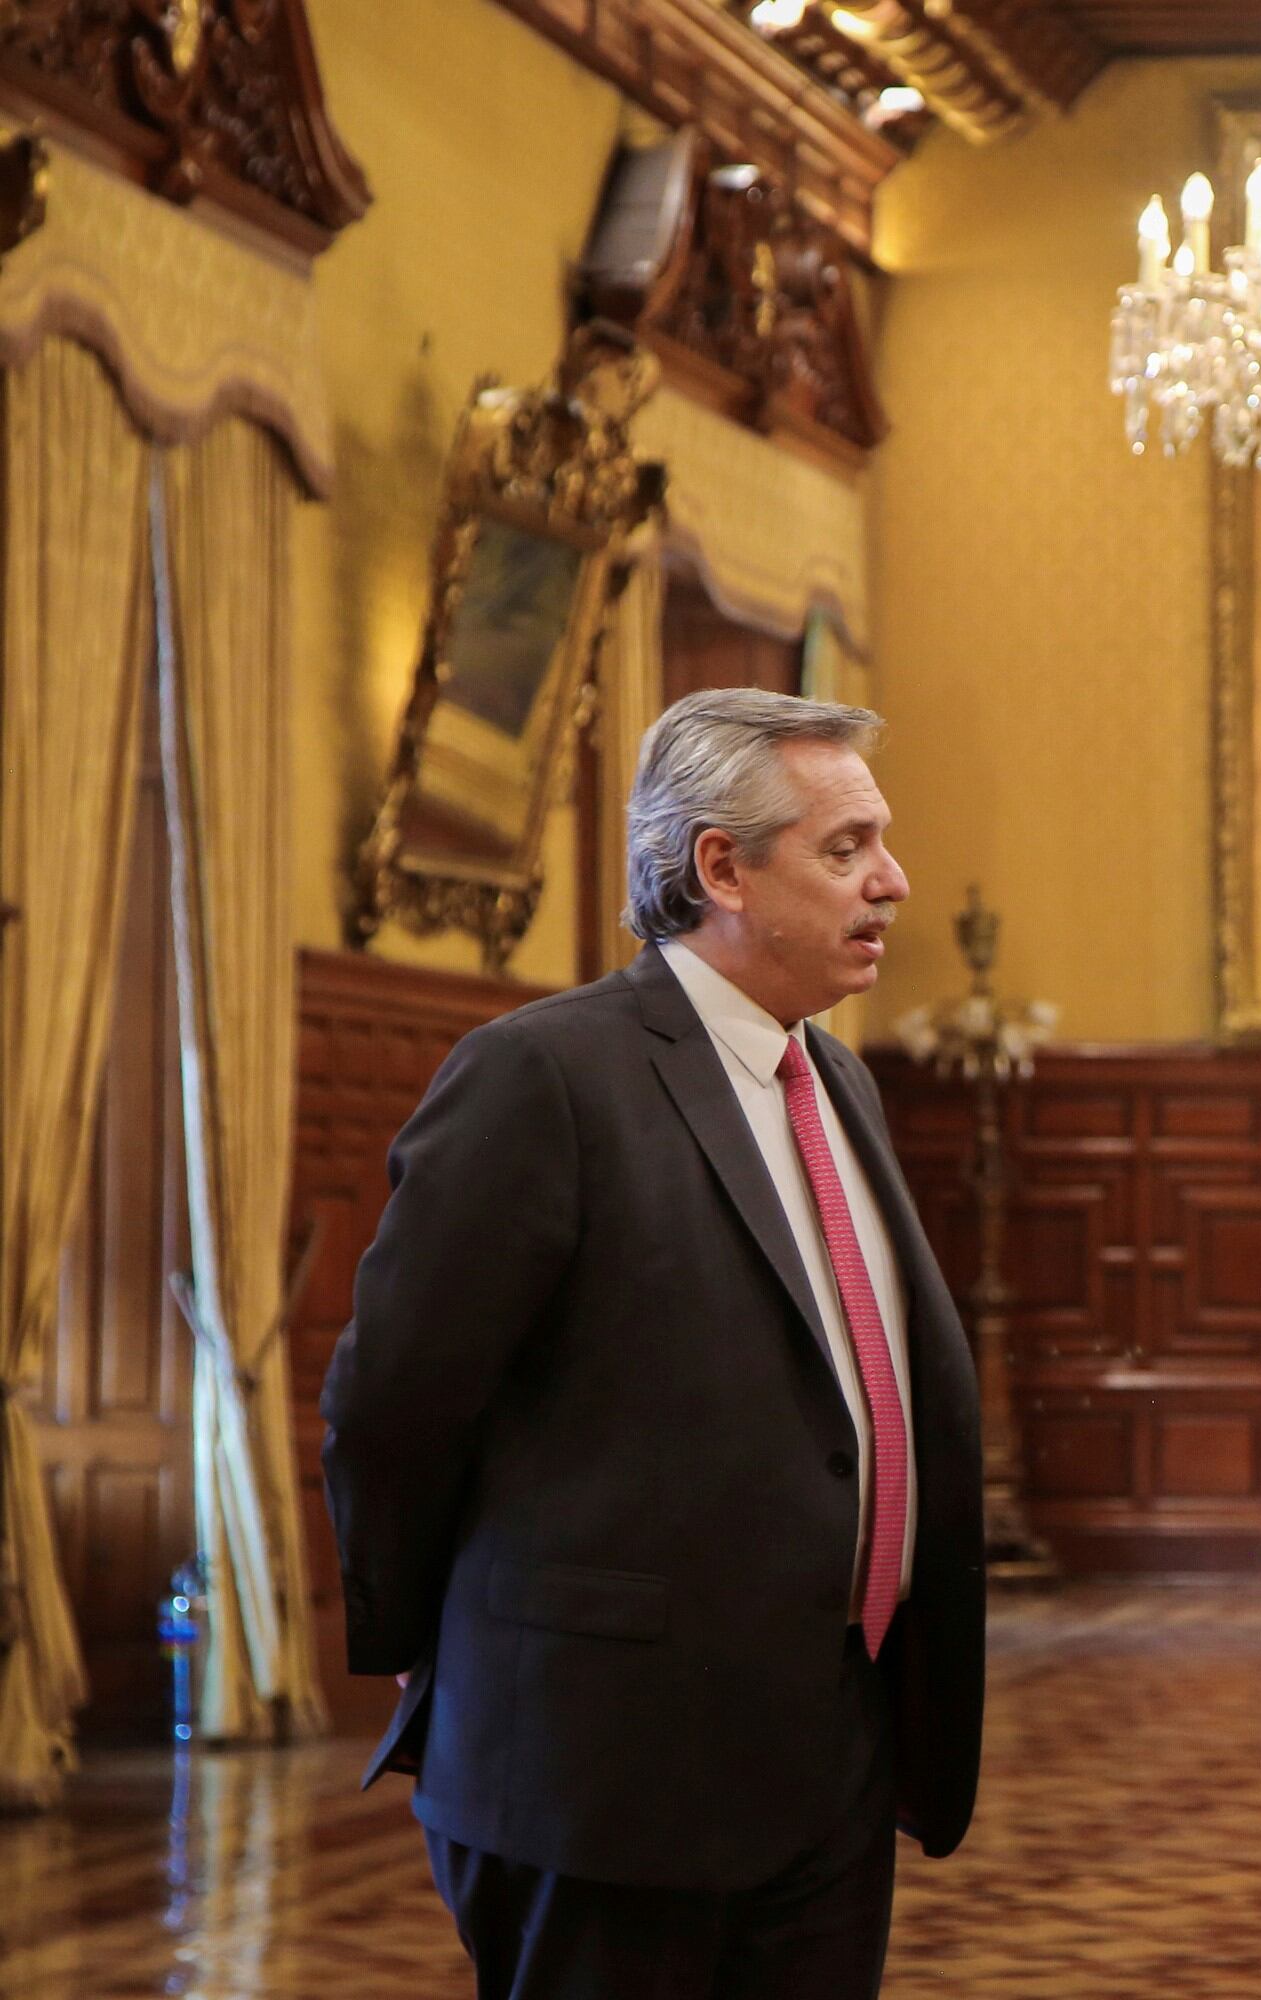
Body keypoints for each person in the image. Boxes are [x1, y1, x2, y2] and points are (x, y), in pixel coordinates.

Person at [321, 690, 984, 1999]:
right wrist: (435, 1636)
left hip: (823, 1764)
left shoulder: (832, 1079)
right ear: (720, 867)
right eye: (844, 847)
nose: (891, 882)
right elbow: (392, 1400)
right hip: (603, 1777)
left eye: (881, 842)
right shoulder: (544, 1076)